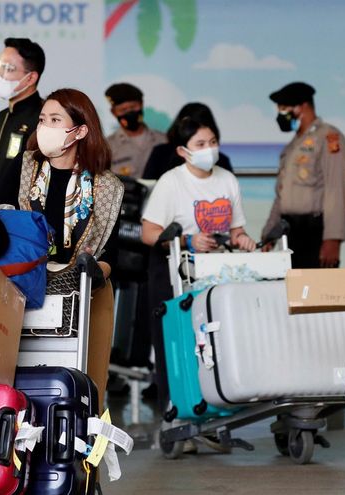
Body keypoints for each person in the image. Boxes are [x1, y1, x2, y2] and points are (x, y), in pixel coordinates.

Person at [0, 88, 123, 405]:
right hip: (21, 288)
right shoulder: (23, 168)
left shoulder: (107, 186)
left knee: (85, 389)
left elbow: (111, 255)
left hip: (85, 293)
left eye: (55, 120)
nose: (45, 127)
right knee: (18, 384)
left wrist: (93, 272)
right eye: (42, 119)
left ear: (80, 131)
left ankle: (82, 436)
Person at [139, 115, 257, 417]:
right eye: (200, 144)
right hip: (174, 272)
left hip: (214, 274)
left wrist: (242, 240)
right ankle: (178, 409)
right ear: (183, 151)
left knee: (216, 342)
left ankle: (218, 408)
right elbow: (148, 232)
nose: (209, 149)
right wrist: (187, 241)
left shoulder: (227, 179)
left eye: (213, 142)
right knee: (179, 343)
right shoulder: (172, 182)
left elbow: (236, 230)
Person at [261, 82, 345, 268]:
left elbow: (336, 189)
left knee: (318, 285)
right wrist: (270, 232)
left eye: (284, 109)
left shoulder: (329, 137)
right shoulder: (293, 145)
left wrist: (333, 239)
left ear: (302, 107)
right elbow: (282, 194)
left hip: (315, 230)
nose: (280, 115)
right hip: (290, 230)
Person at [0, 38, 46, 194]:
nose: (0, 74)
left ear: (30, 78)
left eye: (8, 69)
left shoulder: (43, 119)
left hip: (23, 207)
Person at [142, 102, 233, 180]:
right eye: (190, 126)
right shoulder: (160, 154)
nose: (199, 130)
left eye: (212, 142)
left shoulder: (221, 161)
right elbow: (148, 186)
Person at [104, 82, 167, 178]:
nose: (130, 113)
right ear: (113, 112)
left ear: (141, 104)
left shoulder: (163, 140)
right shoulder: (107, 148)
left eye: (133, 107)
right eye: (123, 110)